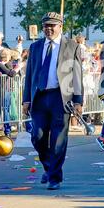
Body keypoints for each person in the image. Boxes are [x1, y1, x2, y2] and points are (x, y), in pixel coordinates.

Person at [22, 12, 83, 190]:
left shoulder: (71, 46)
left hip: (61, 98)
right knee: (38, 137)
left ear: (60, 27)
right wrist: (26, 99)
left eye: (52, 26)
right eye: (46, 26)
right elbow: (29, 76)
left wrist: (78, 101)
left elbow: (77, 75)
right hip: (40, 97)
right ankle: (49, 167)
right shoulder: (35, 47)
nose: (49, 29)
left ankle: (54, 177)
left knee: (58, 140)